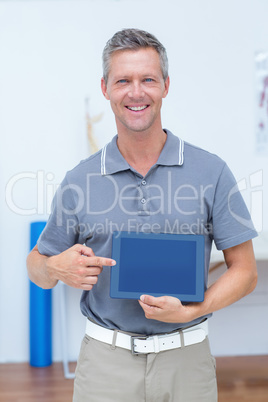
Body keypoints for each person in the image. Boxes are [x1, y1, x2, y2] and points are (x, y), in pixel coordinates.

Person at [27, 28, 258, 402]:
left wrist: (192, 312)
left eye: (148, 79)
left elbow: (245, 272)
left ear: (166, 85)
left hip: (188, 362)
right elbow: (35, 266)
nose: (136, 92)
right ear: (105, 88)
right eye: (123, 81)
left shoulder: (211, 171)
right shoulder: (80, 179)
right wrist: (54, 269)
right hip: (105, 365)